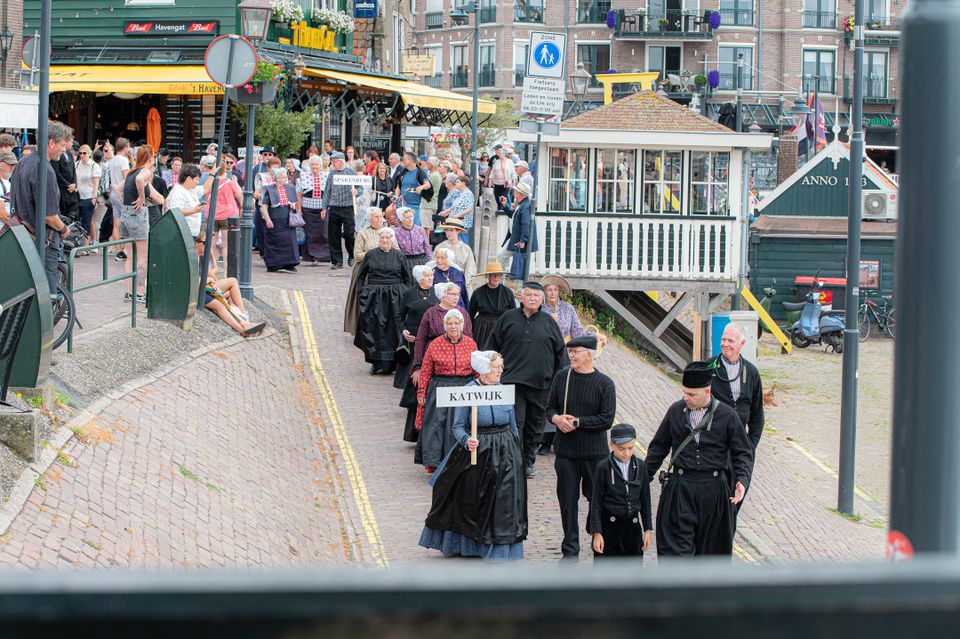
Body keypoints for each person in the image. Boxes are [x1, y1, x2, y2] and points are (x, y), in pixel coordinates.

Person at [419, 351, 527, 561]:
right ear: (484, 369)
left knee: (503, 501)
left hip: (505, 450)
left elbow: (513, 425)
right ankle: (470, 544)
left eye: (501, 367)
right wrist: (467, 439)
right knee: (471, 498)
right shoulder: (469, 391)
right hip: (478, 450)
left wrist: (517, 450)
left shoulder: (504, 391)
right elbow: (457, 426)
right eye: (497, 367)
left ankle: (500, 546)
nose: (501, 371)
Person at [644, 361, 755, 558]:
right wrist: (642, 479)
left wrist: (742, 481)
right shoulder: (675, 410)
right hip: (680, 489)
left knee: (711, 557)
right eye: (684, 392)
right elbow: (659, 447)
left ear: (707, 391)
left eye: (692, 394)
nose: (686, 398)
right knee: (676, 556)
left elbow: (743, 452)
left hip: (714, 492)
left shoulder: (728, 415)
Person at [546, 334, 617, 560]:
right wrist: (557, 419)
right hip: (566, 453)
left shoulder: (605, 383)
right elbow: (549, 409)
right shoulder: (561, 378)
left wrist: (578, 422)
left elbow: (606, 419)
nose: (571, 356)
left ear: (589, 354)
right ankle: (570, 548)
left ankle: (598, 536)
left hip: (595, 454)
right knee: (567, 502)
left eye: (575, 352)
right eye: (570, 352)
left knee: (598, 498)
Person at [487, 281, 566, 477]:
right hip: (512, 383)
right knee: (516, 423)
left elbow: (560, 355)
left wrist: (559, 383)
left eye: (536, 296)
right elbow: (491, 349)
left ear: (542, 299)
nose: (532, 299)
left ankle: (528, 461)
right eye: (529, 295)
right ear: (521, 297)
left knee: (535, 425)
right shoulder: (507, 318)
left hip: (541, 385)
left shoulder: (549, 322)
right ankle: (514, 460)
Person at [538, 274, 607, 454]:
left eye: (555, 290)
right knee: (547, 394)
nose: (552, 293)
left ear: (559, 292)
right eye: (549, 290)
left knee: (563, 392)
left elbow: (577, 331)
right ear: (544, 292)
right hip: (545, 354)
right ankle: (544, 438)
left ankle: (558, 434)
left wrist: (594, 336)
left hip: (565, 356)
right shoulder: (540, 309)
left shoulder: (567, 309)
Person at [7, 122, 72, 297]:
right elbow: (49, 215)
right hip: (42, 238)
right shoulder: (45, 170)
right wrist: (64, 229)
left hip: (22, 235)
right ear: (51, 143)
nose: (63, 150)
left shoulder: (23, 163)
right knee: (45, 294)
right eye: (61, 146)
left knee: (25, 289)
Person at [416, 308, 478, 473]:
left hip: (464, 387)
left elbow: (477, 370)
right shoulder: (435, 344)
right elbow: (426, 370)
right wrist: (421, 392)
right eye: (449, 323)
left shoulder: (471, 343)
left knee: (461, 424)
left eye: (456, 323)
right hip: (440, 387)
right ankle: (436, 462)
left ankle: (459, 460)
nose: (453, 327)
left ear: (462, 325)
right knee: (438, 426)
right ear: (444, 326)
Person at [589, 423, 652, 562]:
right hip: (609, 528)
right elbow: (596, 502)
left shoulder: (641, 466)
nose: (626, 453)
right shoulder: (603, 468)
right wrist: (597, 532)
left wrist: (647, 529)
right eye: (621, 449)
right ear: (611, 445)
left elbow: (645, 499)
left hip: (633, 527)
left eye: (631, 448)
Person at [354, 226, 411, 374]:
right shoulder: (371, 255)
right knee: (375, 328)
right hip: (374, 298)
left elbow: (408, 279)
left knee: (393, 329)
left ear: (392, 240)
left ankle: (394, 362)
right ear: (378, 239)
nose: (385, 240)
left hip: (395, 298)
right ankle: (376, 362)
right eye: (382, 238)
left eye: (388, 238)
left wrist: (403, 294)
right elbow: (360, 277)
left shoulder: (399, 256)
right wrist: (363, 292)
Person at [395, 264, 438, 443]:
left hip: (432, 341)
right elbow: (399, 315)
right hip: (414, 340)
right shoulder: (409, 293)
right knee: (413, 375)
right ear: (420, 278)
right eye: (427, 276)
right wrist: (403, 331)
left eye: (431, 275)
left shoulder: (437, 293)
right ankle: (411, 402)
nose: (430, 278)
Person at [711, 323, 764, 451]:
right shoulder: (708, 367)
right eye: (723, 339)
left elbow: (757, 415)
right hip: (713, 443)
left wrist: (750, 447)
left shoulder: (751, 372)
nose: (725, 344)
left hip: (739, 444)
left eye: (730, 341)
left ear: (742, 343)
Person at [344, 207, 397, 336]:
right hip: (366, 271)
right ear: (370, 219)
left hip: (385, 272)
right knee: (365, 301)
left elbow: (397, 251)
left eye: (381, 216)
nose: (380, 219)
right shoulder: (363, 233)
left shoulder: (388, 232)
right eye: (376, 217)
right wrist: (375, 253)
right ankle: (362, 329)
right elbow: (357, 255)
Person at [121, 145, 164, 303]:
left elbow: (118, 191)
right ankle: (140, 292)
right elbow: (141, 180)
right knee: (142, 258)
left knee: (130, 257)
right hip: (138, 215)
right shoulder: (144, 171)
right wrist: (140, 198)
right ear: (151, 157)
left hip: (126, 214)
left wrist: (127, 205)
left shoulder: (131, 172)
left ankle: (128, 293)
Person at [412, 282, 473, 371]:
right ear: (443, 295)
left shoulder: (463, 313)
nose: (456, 297)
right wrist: (418, 364)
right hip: (435, 356)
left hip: (459, 357)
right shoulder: (431, 313)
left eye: (457, 294)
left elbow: (469, 337)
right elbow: (421, 339)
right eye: (452, 294)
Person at [321, 151, 359, 270]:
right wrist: (324, 207)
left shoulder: (351, 173)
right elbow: (327, 191)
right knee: (334, 235)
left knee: (349, 233)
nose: (332, 163)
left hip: (348, 207)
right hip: (334, 207)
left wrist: (356, 192)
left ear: (340, 161)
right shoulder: (332, 174)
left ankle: (352, 254)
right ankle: (337, 261)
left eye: (334, 161)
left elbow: (360, 188)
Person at [259, 167, 300, 273]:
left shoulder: (290, 188)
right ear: (277, 179)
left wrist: (294, 207)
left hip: (287, 221)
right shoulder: (269, 190)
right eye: (283, 177)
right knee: (274, 244)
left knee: (290, 243)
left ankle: (290, 263)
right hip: (275, 221)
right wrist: (268, 220)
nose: (286, 179)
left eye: (286, 176)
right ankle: (274, 264)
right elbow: (264, 207)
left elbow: (294, 202)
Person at [203, 158, 242, 266]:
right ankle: (226, 270)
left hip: (211, 214)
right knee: (226, 245)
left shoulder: (209, 182)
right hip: (227, 215)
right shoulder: (230, 183)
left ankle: (211, 268)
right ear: (225, 170)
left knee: (211, 244)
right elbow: (240, 195)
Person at [468, 261, 516, 349]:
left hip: (501, 327)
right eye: (493, 274)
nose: (496, 277)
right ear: (488, 276)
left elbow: (513, 314)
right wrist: (469, 332)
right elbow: (470, 314)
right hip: (482, 328)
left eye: (498, 275)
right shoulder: (478, 292)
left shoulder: (507, 292)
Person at [297, 155, 331, 265]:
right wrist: (299, 209)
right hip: (308, 209)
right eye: (312, 164)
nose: (314, 166)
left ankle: (322, 255)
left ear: (320, 165)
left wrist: (325, 208)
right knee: (310, 233)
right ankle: (311, 255)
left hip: (321, 209)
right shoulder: (304, 176)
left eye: (316, 164)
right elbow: (299, 194)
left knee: (323, 233)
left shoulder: (326, 176)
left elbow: (328, 194)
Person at [503, 181, 536, 281]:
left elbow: (526, 224)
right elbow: (512, 215)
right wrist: (505, 206)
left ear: (520, 194)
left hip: (518, 239)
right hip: (515, 238)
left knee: (504, 258)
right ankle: (510, 283)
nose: (514, 192)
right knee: (520, 263)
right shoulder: (522, 204)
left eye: (516, 191)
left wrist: (523, 240)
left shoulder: (525, 206)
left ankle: (502, 281)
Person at [165, 164, 203, 239]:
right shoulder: (178, 192)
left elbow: (205, 188)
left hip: (189, 233)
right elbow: (175, 212)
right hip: (181, 234)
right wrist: (194, 210)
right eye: (197, 179)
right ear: (189, 179)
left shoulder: (191, 189)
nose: (198, 182)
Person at [394, 152, 433, 226]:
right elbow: (398, 187)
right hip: (401, 204)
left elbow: (428, 184)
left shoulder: (419, 172)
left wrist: (421, 187)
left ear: (410, 160)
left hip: (413, 205)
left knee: (414, 227)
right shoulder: (403, 172)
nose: (402, 161)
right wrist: (396, 196)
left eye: (404, 159)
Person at [107, 137, 131, 259]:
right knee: (127, 221)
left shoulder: (112, 160)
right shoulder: (123, 160)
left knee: (116, 222)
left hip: (113, 192)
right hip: (121, 193)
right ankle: (125, 250)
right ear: (125, 148)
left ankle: (118, 249)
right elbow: (126, 178)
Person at [74, 144, 101, 250]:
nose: (82, 155)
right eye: (80, 153)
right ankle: (86, 244)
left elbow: (95, 183)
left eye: (84, 153)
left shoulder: (94, 166)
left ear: (89, 154)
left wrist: (94, 198)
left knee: (86, 221)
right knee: (79, 221)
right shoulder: (76, 164)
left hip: (89, 196)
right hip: (77, 195)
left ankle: (86, 246)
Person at [435, 217, 477, 282]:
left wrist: (465, 284)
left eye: (451, 230)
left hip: (461, 283)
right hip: (442, 283)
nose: (448, 233)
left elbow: (470, 270)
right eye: (446, 230)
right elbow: (434, 267)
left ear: (458, 231)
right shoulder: (439, 247)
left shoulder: (466, 249)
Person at [394, 206, 432, 272]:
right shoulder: (397, 232)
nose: (410, 219)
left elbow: (426, 247)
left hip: (421, 260)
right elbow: (397, 249)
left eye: (411, 216)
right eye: (407, 217)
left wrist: (429, 261)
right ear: (401, 219)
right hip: (406, 261)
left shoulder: (420, 230)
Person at [53, 138, 80, 226]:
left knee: (74, 212)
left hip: (72, 190)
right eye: (70, 141)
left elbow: (73, 170)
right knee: (63, 213)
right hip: (63, 189)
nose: (72, 143)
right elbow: (57, 173)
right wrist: (68, 185)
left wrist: (74, 183)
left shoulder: (69, 154)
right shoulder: (57, 155)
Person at [487, 145, 516, 213]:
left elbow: (513, 172)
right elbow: (492, 171)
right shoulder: (496, 161)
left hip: (506, 183)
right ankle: (500, 208)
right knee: (497, 198)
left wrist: (514, 182)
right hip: (497, 183)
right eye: (499, 153)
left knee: (503, 197)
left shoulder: (510, 162)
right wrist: (489, 181)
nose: (499, 154)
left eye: (500, 153)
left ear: (504, 154)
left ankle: (502, 210)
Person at [0, 151, 16, 235]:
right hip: (3, 231)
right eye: (10, 164)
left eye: (14, 164)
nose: (13, 167)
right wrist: (16, 228)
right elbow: (1, 213)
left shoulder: (8, 182)